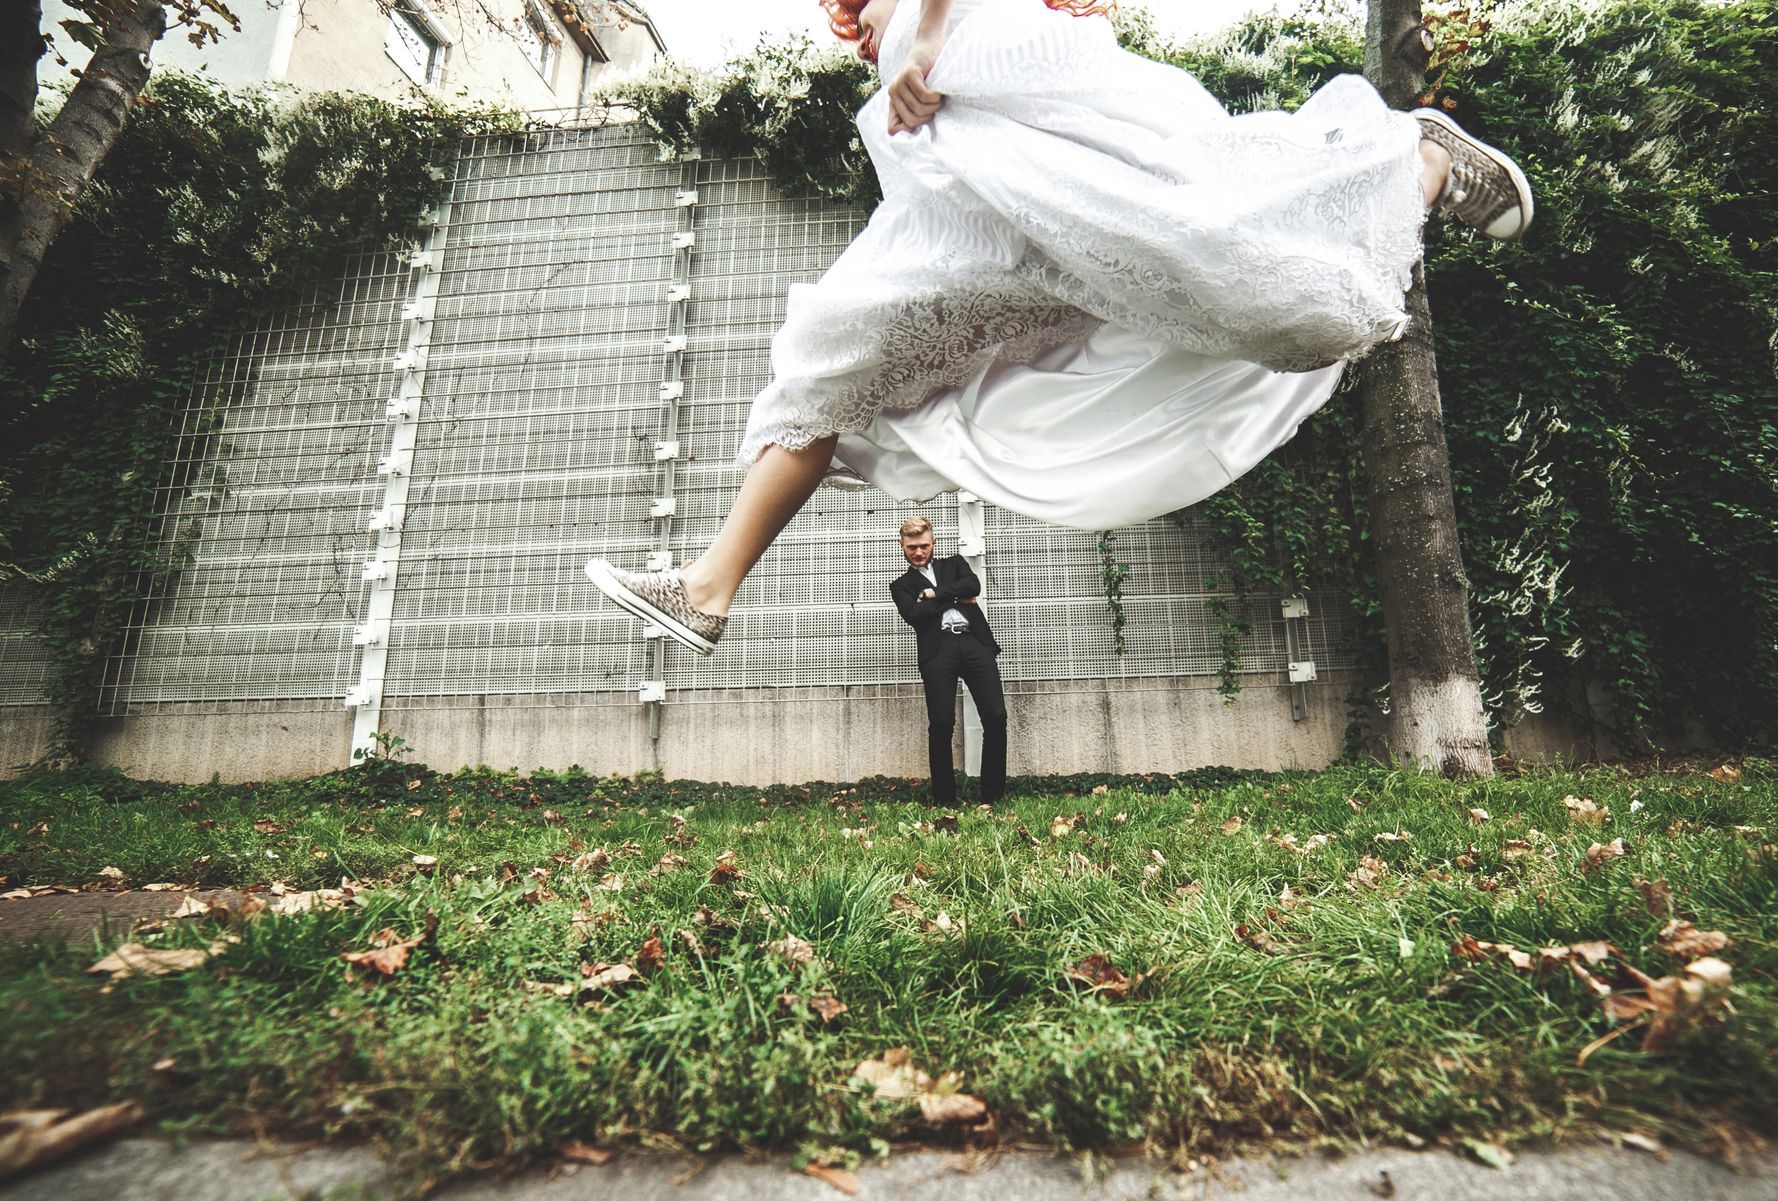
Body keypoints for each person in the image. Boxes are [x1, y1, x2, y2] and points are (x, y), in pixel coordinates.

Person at [586, 0, 1532, 654]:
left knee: (1208, 244)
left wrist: (926, 43)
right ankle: (708, 589)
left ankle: (1410, 158)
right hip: (963, 186)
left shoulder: (933, 31)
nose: (850, 21)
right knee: (827, 366)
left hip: (981, 87)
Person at [888, 516, 1007, 806]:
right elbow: (914, 616)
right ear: (902, 547)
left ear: (933, 544)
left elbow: (973, 585)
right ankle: (945, 798)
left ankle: (992, 795)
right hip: (938, 651)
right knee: (941, 723)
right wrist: (955, 597)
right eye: (912, 547)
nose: (918, 552)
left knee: (996, 716)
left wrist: (932, 595)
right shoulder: (901, 585)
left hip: (974, 642)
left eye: (924, 546)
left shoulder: (954, 565)